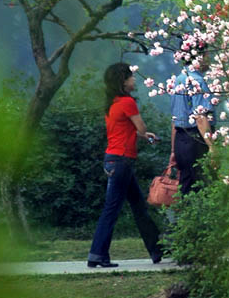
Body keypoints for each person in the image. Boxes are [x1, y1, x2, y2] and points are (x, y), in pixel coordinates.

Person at [87, 62, 163, 268]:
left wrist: (144, 135)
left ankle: (158, 250)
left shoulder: (112, 103)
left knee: (139, 206)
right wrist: (144, 132)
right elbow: (140, 127)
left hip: (114, 158)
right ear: (123, 81)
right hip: (122, 161)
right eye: (131, 77)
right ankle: (97, 254)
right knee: (111, 208)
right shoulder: (128, 102)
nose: (134, 79)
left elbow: (126, 129)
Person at [170, 42, 216, 195]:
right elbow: (200, 117)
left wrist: (173, 150)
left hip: (180, 141)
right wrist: (211, 146)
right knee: (204, 185)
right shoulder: (198, 81)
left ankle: (183, 218)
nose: (209, 59)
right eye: (207, 55)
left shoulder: (178, 80)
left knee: (186, 186)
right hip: (196, 140)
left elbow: (174, 119)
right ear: (199, 57)